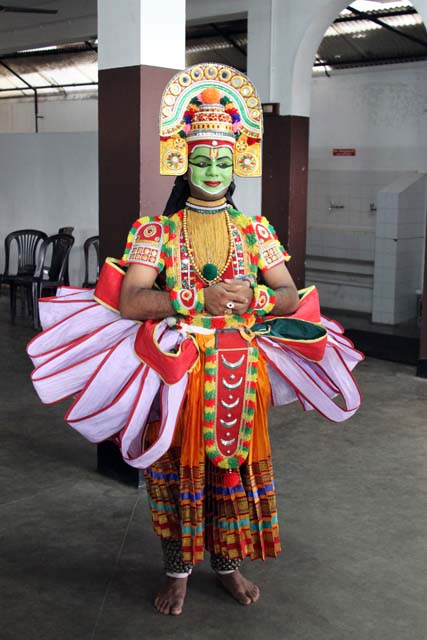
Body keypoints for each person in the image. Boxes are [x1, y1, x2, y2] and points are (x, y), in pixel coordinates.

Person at [27, 63, 362, 617]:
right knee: (174, 474)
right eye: (203, 159)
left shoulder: (256, 231)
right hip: (179, 373)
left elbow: (289, 294)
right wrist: (194, 299)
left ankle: (227, 566)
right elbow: (131, 300)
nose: (213, 170)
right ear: (184, 161)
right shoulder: (155, 230)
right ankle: (178, 571)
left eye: (223, 161)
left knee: (232, 473)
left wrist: (255, 298)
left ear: (237, 165)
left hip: (241, 372)